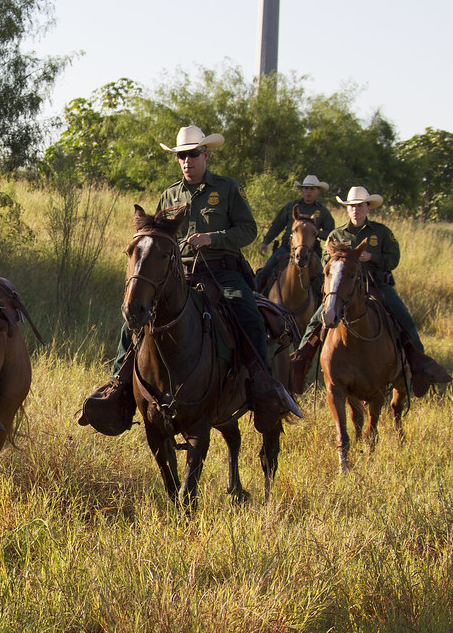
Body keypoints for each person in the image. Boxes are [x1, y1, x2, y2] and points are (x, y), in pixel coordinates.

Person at [80, 125, 302, 435]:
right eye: (182, 156)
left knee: (247, 311)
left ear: (205, 154)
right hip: (179, 274)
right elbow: (157, 237)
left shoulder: (228, 188)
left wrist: (213, 238)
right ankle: (119, 384)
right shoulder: (170, 194)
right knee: (135, 316)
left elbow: (248, 230)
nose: (187, 161)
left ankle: (262, 382)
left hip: (223, 271)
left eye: (193, 154)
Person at [289, 186, 452, 396]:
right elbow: (326, 261)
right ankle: (301, 361)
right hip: (345, 288)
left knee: (403, 317)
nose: (355, 210)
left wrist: (371, 257)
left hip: (377, 285)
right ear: (347, 209)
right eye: (351, 206)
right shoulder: (336, 234)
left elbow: (393, 259)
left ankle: (418, 364)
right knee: (316, 319)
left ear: (368, 208)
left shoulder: (382, 232)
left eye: (360, 206)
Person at [254, 174, 336, 294]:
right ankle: (254, 296)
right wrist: (265, 242)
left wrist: (316, 233)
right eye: (306, 188)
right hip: (286, 247)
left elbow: (331, 233)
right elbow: (277, 225)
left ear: (318, 191)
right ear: (302, 190)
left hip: (310, 251)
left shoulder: (322, 211)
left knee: (322, 276)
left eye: (312, 189)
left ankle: (323, 301)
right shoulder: (291, 206)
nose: (308, 192)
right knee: (266, 270)